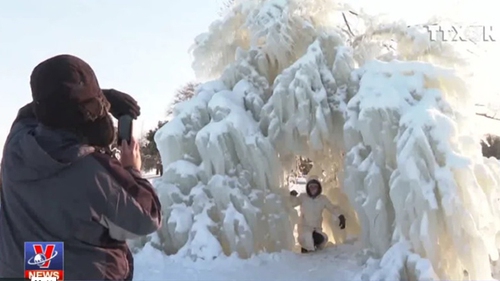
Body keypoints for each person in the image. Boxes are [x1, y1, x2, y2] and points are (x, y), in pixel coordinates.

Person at [0, 55, 162, 280]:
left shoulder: (16, 146)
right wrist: (132, 170)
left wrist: (101, 98)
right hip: (82, 274)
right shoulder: (93, 168)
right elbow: (147, 218)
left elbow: (30, 111)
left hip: (22, 270)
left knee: (44, 263)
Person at [290, 178, 346, 253]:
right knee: (307, 238)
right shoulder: (303, 197)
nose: (313, 189)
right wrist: (292, 197)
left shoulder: (323, 199)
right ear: (308, 188)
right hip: (304, 228)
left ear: (319, 188)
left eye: (315, 187)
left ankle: (313, 245)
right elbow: (293, 203)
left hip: (316, 228)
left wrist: (340, 216)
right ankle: (305, 248)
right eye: (311, 187)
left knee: (323, 238)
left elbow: (332, 208)